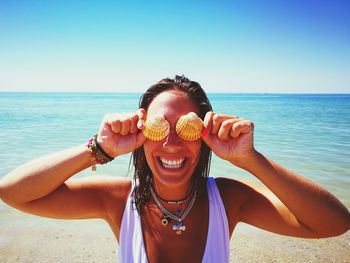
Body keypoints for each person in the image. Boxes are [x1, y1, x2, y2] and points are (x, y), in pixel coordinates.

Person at [0, 75, 349, 263]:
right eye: (158, 128)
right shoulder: (117, 199)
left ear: (204, 137)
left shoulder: (228, 200)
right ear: (140, 135)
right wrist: (99, 150)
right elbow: (12, 192)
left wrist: (250, 160)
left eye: (186, 129)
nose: (171, 144)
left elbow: (335, 223)